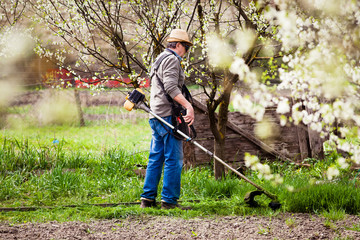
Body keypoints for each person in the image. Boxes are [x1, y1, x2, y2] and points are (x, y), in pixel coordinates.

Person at [140, 29, 194, 209]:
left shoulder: (160, 58)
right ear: (178, 45)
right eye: (185, 47)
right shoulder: (171, 60)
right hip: (166, 117)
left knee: (156, 158)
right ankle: (169, 201)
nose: (186, 52)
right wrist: (188, 106)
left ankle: (147, 199)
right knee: (174, 159)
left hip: (155, 115)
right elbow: (171, 87)